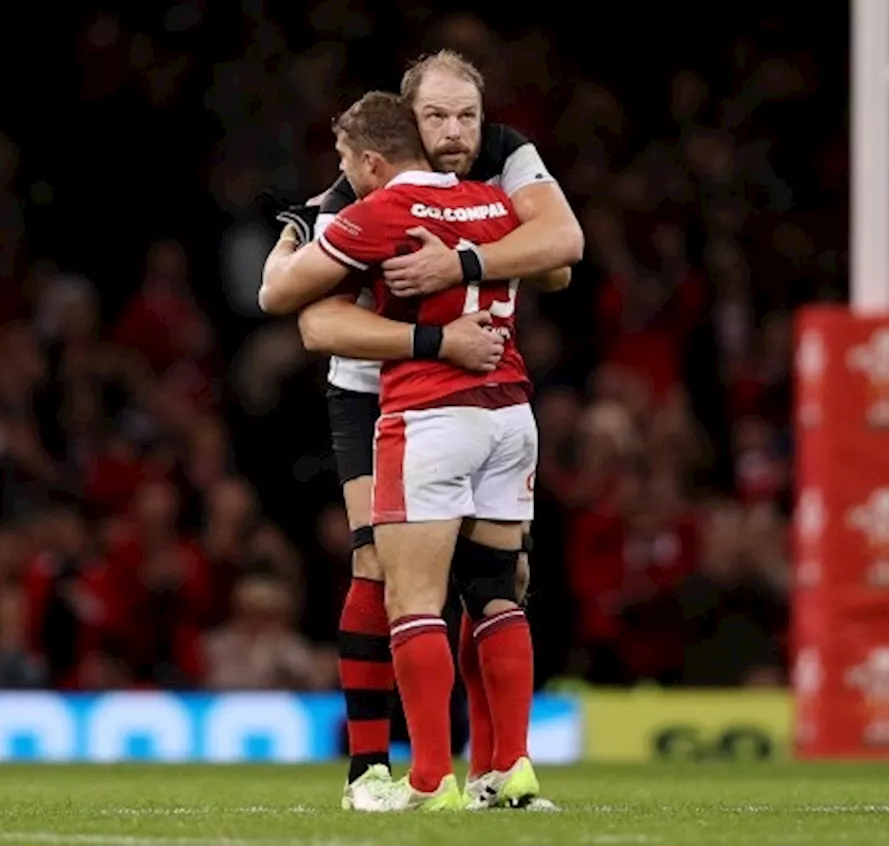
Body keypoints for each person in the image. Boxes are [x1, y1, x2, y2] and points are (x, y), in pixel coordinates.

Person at [264, 49, 583, 810]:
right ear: (409, 122)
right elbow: (555, 266)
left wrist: (455, 268)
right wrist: (451, 315)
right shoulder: (468, 199)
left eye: (466, 115)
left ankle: (443, 776)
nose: (454, 128)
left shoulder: (436, 187)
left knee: (439, 589)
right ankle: (421, 768)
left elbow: (289, 302)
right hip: (452, 398)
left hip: (434, 408)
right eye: (436, 116)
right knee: (437, 579)